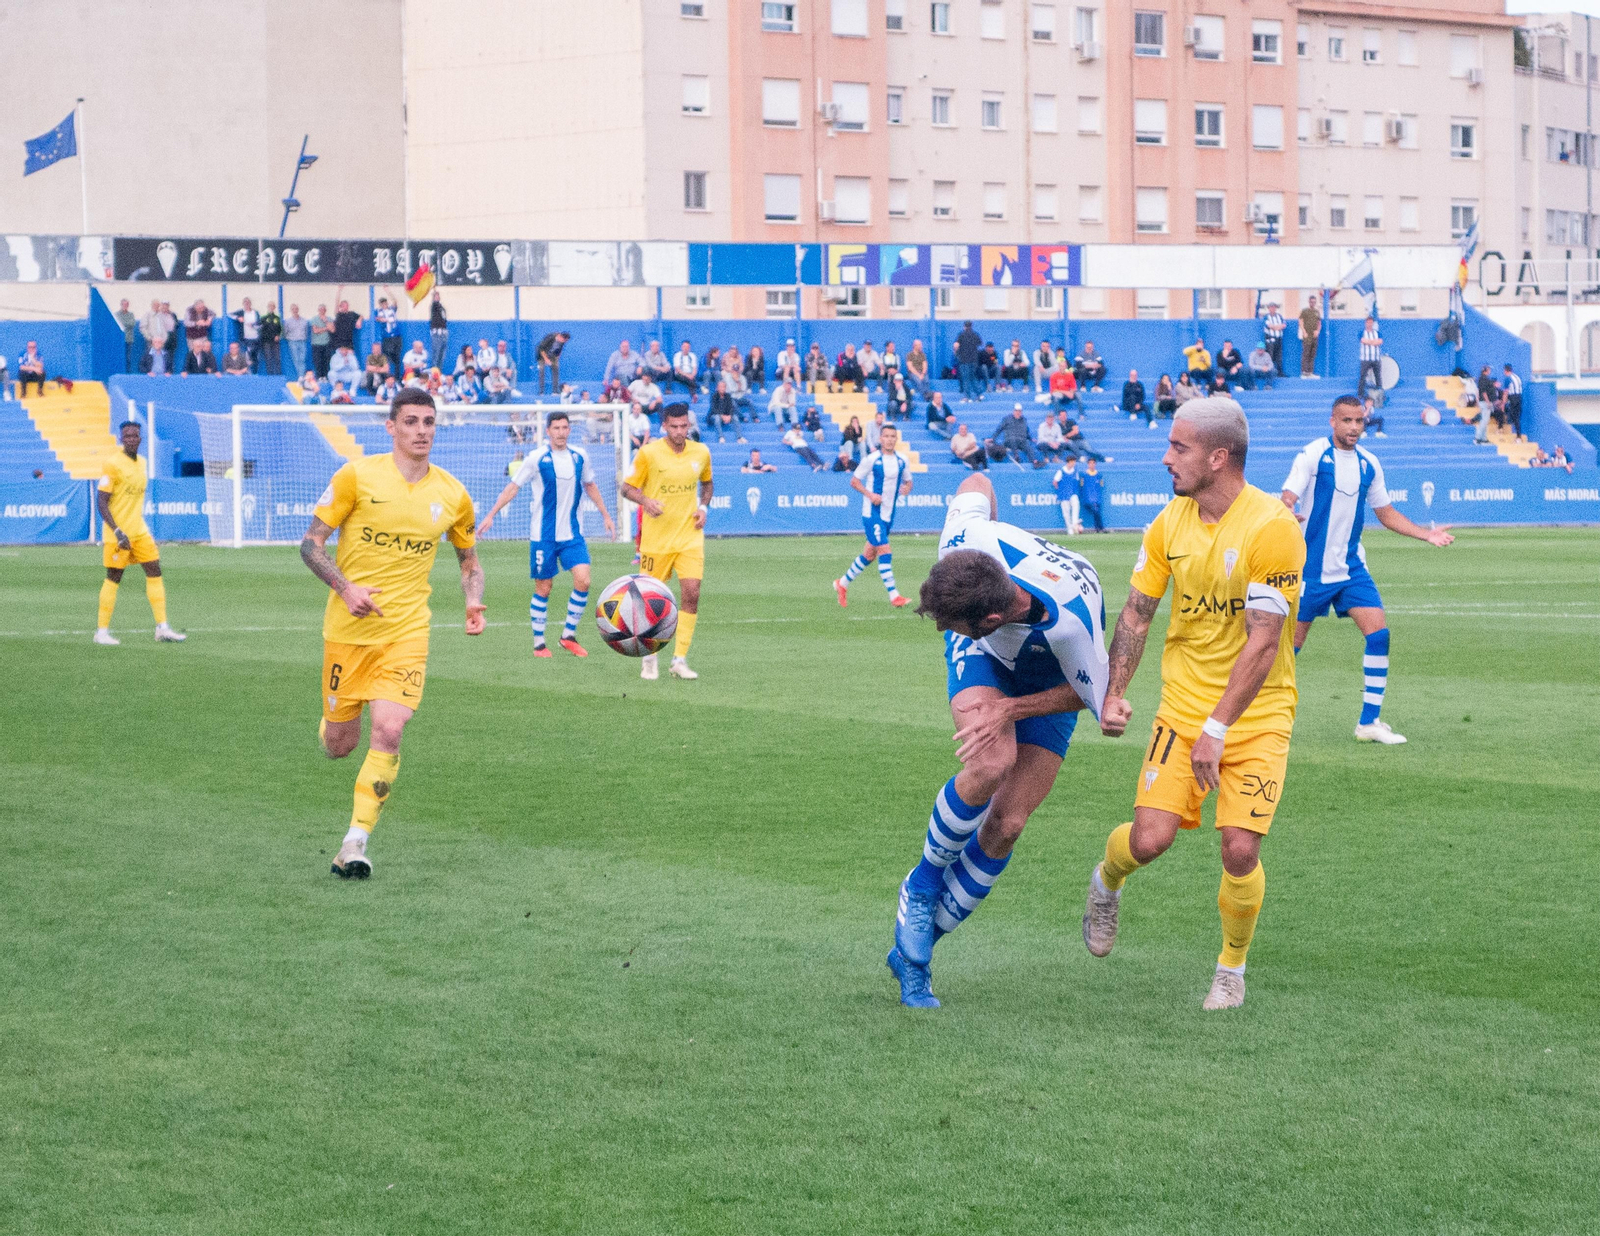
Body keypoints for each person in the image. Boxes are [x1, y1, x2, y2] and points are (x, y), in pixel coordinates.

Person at [1083, 397, 1306, 1011]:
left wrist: (1219, 727)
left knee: (1239, 846)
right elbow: (1136, 612)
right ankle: (1108, 880)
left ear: (1218, 456)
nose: (1166, 457)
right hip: (1180, 712)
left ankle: (1231, 969)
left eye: (1178, 447)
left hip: (1257, 717)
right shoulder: (1168, 523)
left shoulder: (1272, 528)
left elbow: (1264, 642)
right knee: (1150, 840)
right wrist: (1113, 693)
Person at [888, 469, 1109, 1007]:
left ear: (990, 616)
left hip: (1054, 684)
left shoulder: (1070, 625)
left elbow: (1095, 700)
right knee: (991, 761)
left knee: (1007, 823)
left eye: (953, 625)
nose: (945, 633)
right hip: (988, 661)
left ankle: (916, 952)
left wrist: (1012, 707)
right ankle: (921, 886)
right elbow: (977, 476)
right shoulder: (964, 540)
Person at [300, 387, 485, 879]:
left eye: (429, 421)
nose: (421, 431)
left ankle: (353, 843)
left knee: (390, 729)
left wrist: (472, 600)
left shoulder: (451, 493)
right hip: (348, 630)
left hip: (407, 631)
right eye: (411, 422)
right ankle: (332, 722)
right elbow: (311, 544)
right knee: (340, 745)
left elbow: (468, 560)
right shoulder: (356, 476)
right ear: (391, 427)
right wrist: (344, 586)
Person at [1281, 395, 1454, 745]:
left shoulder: (1369, 463)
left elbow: (1385, 512)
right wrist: (1286, 509)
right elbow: (1289, 495)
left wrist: (1426, 534)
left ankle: (1369, 723)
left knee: (1379, 634)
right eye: (1347, 421)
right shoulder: (1313, 454)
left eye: (1359, 421)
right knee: (1287, 650)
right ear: (1333, 421)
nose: (1354, 428)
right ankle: (1254, 717)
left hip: (1349, 569)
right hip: (1309, 570)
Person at [478, 409, 615, 658]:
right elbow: (513, 487)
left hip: (572, 534)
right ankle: (539, 643)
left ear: (569, 430)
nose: (561, 432)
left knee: (584, 580)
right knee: (544, 587)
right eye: (556, 428)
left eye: (565, 428)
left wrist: (606, 515)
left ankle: (568, 636)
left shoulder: (579, 456)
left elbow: (590, 485)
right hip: (543, 535)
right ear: (548, 431)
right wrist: (490, 515)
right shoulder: (536, 458)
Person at [620, 403, 713, 681]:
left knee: (692, 593)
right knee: (650, 602)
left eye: (684, 426)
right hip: (656, 541)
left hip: (689, 537)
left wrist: (704, 508)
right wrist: (646, 500)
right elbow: (626, 488)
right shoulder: (649, 453)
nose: (680, 431)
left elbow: (707, 484)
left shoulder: (701, 451)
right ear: (664, 426)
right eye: (674, 426)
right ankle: (649, 658)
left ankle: (679, 660)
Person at [93, 420, 186, 646]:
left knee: (154, 569)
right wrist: (117, 531)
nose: (132, 439)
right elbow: (101, 501)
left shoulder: (142, 462)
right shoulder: (112, 464)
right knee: (114, 577)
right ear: (121, 439)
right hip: (119, 533)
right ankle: (101, 632)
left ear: (140, 439)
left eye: (135, 435)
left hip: (139, 531)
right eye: (127, 436)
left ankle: (162, 627)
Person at [834, 424, 914, 609]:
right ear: (880, 439)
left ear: (896, 438)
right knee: (885, 550)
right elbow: (854, 481)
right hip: (872, 513)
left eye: (893, 436)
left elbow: (909, 482)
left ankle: (842, 583)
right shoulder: (871, 459)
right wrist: (870, 495)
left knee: (869, 554)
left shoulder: (902, 460)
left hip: (888, 515)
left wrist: (907, 488)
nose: (890, 439)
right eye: (886, 436)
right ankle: (894, 596)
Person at [230, 297, 262, 371]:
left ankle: (255, 373)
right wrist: (238, 318)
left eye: (248, 302)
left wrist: (254, 325)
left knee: (256, 357)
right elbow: (229, 314)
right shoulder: (241, 312)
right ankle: (248, 372)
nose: (247, 304)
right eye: (245, 303)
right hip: (245, 338)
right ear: (243, 304)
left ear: (250, 304)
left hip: (255, 338)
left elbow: (260, 324)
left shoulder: (255, 312)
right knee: (247, 356)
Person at [140, 299, 171, 375]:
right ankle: (151, 373)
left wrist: (164, 338)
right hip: (151, 341)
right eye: (155, 305)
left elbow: (167, 328)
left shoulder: (162, 316)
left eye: (158, 305)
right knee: (150, 359)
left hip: (162, 341)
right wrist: (150, 338)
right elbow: (142, 327)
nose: (156, 307)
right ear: (152, 306)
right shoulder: (147, 315)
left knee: (163, 359)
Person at [1356, 317, 1382, 400]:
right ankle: (1360, 394)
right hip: (1365, 358)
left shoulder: (1377, 333)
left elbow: (1380, 342)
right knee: (1363, 376)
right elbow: (1363, 341)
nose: (1369, 324)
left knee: (1378, 376)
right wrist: (1373, 342)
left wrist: (1369, 342)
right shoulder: (1361, 333)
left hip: (1376, 358)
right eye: (1368, 322)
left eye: (1371, 322)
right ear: (1365, 323)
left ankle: (1380, 393)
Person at [954, 321, 982, 399]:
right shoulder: (975, 335)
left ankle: (967, 396)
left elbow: (956, 345)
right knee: (973, 377)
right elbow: (980, 344)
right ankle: (979, 394)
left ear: (964, 326)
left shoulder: (961, 335)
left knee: (965, 379)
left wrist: (956, 353)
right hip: (973, 360)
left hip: (963, 360)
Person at [1052, 457, 1081, 534]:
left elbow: (1076, 482)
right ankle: (1069, 528)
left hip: (1072, 493)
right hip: (1064, 495)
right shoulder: (1061, 471)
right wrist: (1060, 490)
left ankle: (1075, 523)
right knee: (1066, 513)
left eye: (1074, 462)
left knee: (1076, 504)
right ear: (1068, 462)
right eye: (1072, 462)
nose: (1073, 464)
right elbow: (1055, 481)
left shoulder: (1075, 471)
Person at [1298, 294, 1322, 378]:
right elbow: (1300, 321)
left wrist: (1318, 331)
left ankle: (1310, 372)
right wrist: (1304, 331)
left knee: (1313, 354)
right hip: (1307, 336)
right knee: (1306, 354)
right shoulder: (1305, 311)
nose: (1313, 303)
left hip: (1314, 336)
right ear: (1309, 302)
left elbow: (1319, 323)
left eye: (1314, 302)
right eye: (1311, 302)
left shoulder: (1317, 312)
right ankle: (1304, 372)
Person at [1078, 459, 1105, 532]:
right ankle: (1101, 528)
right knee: (1096, 510)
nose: (1092, 465)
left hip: (1096, 499)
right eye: (1090, 463)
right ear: (1088, 464)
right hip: (1087, 499)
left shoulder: (1099, 475)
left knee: (1096, 511)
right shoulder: (1084, 475)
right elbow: (1081, 487)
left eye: (1093, 463)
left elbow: (1101, 486)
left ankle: (1098, 528)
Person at [282, 305, 308, 379]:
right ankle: (300, 376)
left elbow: (306, 331)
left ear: (298, 309)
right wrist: (289, 338)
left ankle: (302, 375)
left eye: (296, 309)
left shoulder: (304, 321)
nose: (295, 310)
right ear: (291, 310)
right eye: (293, 309)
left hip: (302, 341)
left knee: (302, 359)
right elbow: (285, 332)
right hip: (292, 341)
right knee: (296, 359)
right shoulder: (288, 321)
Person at [114, 299, 140, 372]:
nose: (125, 306)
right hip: (119, 340)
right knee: (119, 357)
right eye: (123, 304)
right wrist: (125, 324)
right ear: (121, 305)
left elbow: (132, 324)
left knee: (128, 358)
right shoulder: (116, 315)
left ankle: (127, 372)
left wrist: (122, 323)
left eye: (126, 305)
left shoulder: (131, 314)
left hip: (128, 339)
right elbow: (117, 325)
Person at [309, 304, 335, 377]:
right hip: (316, 344)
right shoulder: (314, 319)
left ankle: (326, 377)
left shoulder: (329, 319)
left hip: (326, 343)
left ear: (325, 310)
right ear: (318, 310)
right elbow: (315, 331)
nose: (322, 311)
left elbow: (332, 330)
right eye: (320, 309)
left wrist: (326, 322)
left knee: (326, 362)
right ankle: (319, 377)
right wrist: (326, 328)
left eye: (323, 309)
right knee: (318, 362)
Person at [1261, 301, 1286, 376]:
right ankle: (1270, 372)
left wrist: (1276, 327)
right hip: (1270, 339)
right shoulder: (1266, 317)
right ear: (1268, 308)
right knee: (1270, 356)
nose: (1273, 308)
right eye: (1271, 307)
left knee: (1279, 356)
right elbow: (1270, 326)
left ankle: (1280, 372)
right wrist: (1278, 327)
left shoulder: (1280, 316)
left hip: (1279, 339)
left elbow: (1284, 325)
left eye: (1274, 307)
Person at [1498, 363, 1523, 437]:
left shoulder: (1507, 378)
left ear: (1505, 370)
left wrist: (1503, 403)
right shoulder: (1517, 377)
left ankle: (1503, 427)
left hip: (1513, 398)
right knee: (1517, 417)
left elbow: (1506, 392)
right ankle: (1518, 434)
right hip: (1519, 397)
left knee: (1512, 415)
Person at [259, 301, 283, 376]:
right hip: (266, 341)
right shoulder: (263, 318)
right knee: (268, 358)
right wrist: (269, 337)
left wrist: (278, 336)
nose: (271, 307)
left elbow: (280, 329)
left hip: (275, 342)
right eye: (270, 306)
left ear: (274, 307)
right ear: (267, 307)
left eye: (273, 306)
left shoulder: (277, 318)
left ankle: (278, 374)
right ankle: (270, 375)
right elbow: (261, 330)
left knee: (277, 358)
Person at [428, 291, 449, 369]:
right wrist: (434, 297)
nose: (438, 297)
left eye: (438, 296)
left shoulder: (441, 307)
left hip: (443, 332)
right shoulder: (434, 306)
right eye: (436, 296)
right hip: (437, 333)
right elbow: (434, 304)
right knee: (436, 354)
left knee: (442, 355)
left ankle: (439, 372)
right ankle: (434, 372)